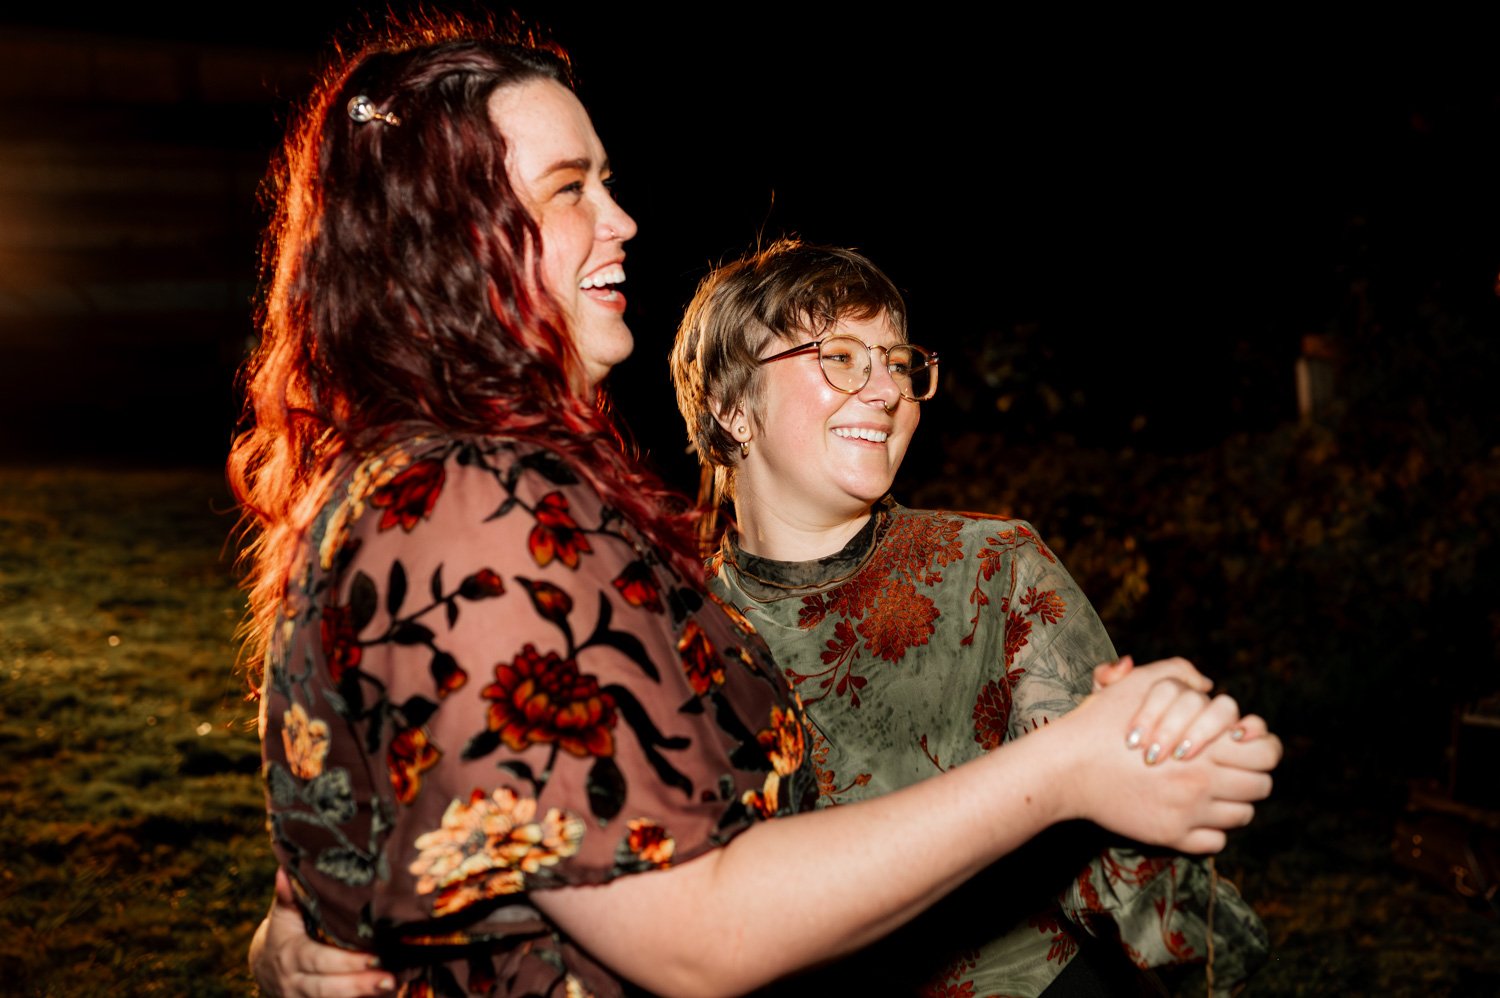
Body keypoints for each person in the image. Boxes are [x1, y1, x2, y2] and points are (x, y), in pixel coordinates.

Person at [235, 18, 1281, 998]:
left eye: (896, 362)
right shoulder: (471, 510)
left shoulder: (423, 487)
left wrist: (312, 927)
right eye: (570, 187)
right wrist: (1062, 769)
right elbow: (699, 926)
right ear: (448, 235)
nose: (624, 218)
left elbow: (406, 817)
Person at [666, 238, 1275, 996]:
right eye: (843, 357)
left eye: (896, 362)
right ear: (731, 408)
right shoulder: (669, 624)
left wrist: (1171, 765)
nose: (887, 390)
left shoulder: (990, 567)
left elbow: (1114, 841)